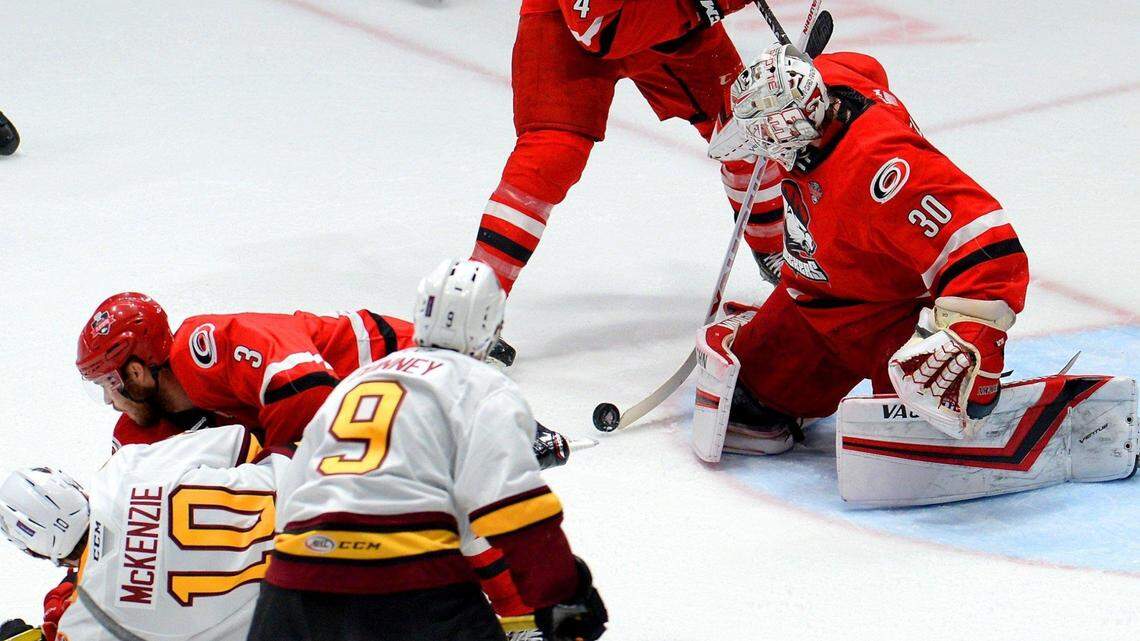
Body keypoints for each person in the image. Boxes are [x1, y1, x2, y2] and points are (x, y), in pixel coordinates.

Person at [694, 43, 1029, 457]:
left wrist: (973, 338)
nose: (758, 145)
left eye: (764, 133)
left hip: (887, 312)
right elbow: (868, 67)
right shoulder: (832, 80)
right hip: (817, 299)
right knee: (748, 405)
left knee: (919, 428)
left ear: (790, 128)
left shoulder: (883, 169)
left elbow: (987, 247)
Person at [248, 259, 607, 641]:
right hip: (409, 585)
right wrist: (562, 592)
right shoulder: (484, 387)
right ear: (493, 325)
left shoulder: (357, 381)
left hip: (295, 584)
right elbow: (511, 510)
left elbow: (289, 496)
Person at [469, 0, 784, 324]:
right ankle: (473, 303)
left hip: (669, 20)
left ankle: (783, 258)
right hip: (572, 26)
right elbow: (594, 29)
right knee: (553, 154)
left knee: (748, 128)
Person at [0, 427, 288, 641]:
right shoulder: (125, 467)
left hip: (306, 602)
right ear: (73, 486)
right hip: (318, 496)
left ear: (35, 552)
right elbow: (243, 441)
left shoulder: (86, 622)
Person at [76, 293, 415, 450]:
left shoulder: (203, 347)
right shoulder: (144, 432)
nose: (108, 400)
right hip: (379, 413)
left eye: (109, 383)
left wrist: (270, 468)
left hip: (409, 365)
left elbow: (307, 391)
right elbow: (125, 515)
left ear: (137, 374)